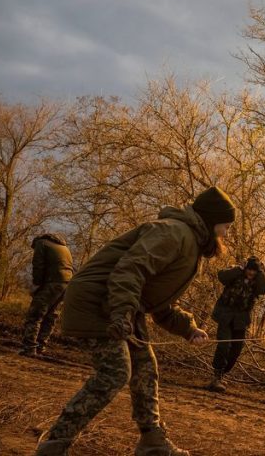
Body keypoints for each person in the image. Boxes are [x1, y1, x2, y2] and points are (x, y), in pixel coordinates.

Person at [35, 186, 236, 456]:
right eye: (225, 225)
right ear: (212, 221)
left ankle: (152, 441)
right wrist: (121, 314)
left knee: (145, 368)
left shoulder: (189, 242)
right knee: (115, 372)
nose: (226, 233)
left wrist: (187, 328)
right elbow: (129, 271)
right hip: (98, 302)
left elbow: (158, 302)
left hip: (121, 305)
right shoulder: (173, 232)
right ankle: (54, 444)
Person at [207, 256, 265, 392]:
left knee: (236, 350)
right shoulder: (235, 272)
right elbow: (222, 276)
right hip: (225, 315)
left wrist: (262, 273)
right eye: (249, 269)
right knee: (224, 344)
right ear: (245, 268)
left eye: (254, 271)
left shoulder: (258, 281)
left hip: (241, 320)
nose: (251, 273)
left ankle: (222, 375)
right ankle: (217, 377)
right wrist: (239, 268)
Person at [21, 233, 74, 357]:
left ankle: (29, 348)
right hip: (66, 284)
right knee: (50, 316)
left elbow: (38, 265)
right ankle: (41, 347)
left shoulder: (41, 244)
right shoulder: (63, 246)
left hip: (52, 283)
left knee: (35, 315)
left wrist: (37, 285)